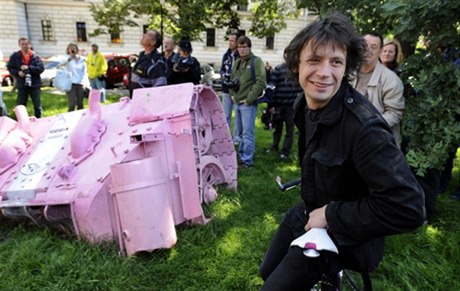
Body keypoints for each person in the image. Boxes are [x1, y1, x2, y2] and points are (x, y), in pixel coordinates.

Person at [259, 13, 425, 290]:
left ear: (347, 68)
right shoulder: (303, 104)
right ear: (296, 65)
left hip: (350, 234)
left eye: (335, 62)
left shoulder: (365, 129)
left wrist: (331, 215)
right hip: (309, 210)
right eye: (314, 60)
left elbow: (408, 207)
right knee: (268, 271)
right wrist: (318, 212)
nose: (324, 73)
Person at [350, 32, 405, 147]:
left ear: (380, 52)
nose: (368, 50)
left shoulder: (391, 80)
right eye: (364, 45)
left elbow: (395, 113)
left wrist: (368, 126)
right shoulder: (347, 73)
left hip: (379, 143)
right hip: (348, 139)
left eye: (374, 47)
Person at [229, 35, 266, 168]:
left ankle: (247, 161)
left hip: (247, 103)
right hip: (237, 102)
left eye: (244, 47)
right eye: (239, 47)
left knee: (247, 133)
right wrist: (232, 95)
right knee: (238, 133)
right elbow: (233, 80)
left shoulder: (256, 61)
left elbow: (261, 82)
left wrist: (249, 99)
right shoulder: (238, 61)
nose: (241, 49)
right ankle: (241, 156)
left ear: (249, 47)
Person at [266, 62, 303, 160]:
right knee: (277, 128)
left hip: (292, 106)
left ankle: (285, 151)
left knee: (289, 130)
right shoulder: (278, 68)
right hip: (278, 104)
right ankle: (274, 146)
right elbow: (272, 86)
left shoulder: (299, 68)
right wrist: (271, 104)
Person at [7, 37, 44, 118]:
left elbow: (41, 68)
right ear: (19, 45)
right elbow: (10, 68)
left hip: (34, 84)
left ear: (29, 45)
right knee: (21, 106)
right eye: (22, 44)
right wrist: (18, 72)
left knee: (37, 105)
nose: (25, 46)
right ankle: (22, 122)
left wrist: (29, 68)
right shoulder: (15, 56)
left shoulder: (35, 56)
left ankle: (39, 121)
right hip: (22, 85)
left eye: (26, 44)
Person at [130, 30, 167, 95]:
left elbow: (160, 89)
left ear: (153, 42)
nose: (143, 35)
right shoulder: (142, 56)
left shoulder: (156, 63)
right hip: (136, 101)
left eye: (148, 34)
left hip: (146, 102)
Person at [220, 32, 239, 129]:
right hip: (226, 88)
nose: (230, 43)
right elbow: (222, 69)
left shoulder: (240, 56)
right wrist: (223, 76)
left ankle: (236, 138)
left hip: (237, 89)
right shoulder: (226, 55)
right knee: (225, 115)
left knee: (237, 116)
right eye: (229, 40)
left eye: (232, 41)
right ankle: (225, 137)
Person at [65, 43, 88, 111]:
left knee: (80, 103)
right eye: (70, 48)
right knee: (72, 104)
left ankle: (80, 119)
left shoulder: (82, 59)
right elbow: (61, 66)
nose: (72, 49)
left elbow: (85, 71)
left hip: (80, 83)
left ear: (77, 49)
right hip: (70, 83)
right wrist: (70, 58)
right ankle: (69, 118)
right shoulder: (66, 58)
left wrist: (86, 83)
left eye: (74, 48)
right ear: (68, 50)